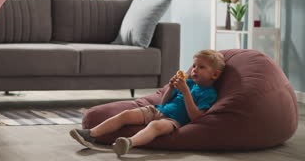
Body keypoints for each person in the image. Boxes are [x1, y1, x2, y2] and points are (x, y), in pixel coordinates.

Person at [70, 49, 225, 156]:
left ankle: (128, 143)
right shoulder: (189, 83)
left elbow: (196, 117)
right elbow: (164, 101)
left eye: (201, 67)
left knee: (155, 126)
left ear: (215, 74)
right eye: (194, 66)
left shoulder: (209, 94)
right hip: (159, 109)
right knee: (126, 114)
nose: (194, 70)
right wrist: (170, 88)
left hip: (174, 121)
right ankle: (90, 134)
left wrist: (185, 93)